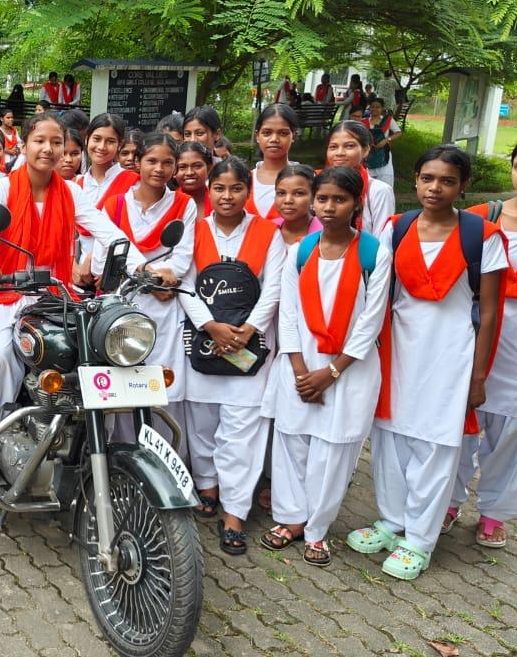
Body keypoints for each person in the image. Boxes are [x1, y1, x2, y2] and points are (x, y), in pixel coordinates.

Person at [347, 145, 505, 580]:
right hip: (399, 351)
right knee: (390, 439)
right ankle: (391, 521)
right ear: (414, 180)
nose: (436, 187)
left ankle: (418, 539)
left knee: (436, 445)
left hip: (452, 356)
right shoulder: (398, 228)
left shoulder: (482, 235)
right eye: (428, 178)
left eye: (448, 180)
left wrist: (479, 374)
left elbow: (489, 310)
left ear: (463, 185)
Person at [0, 114, 145, 471]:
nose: (48, 149)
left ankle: (82, 439)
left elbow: (108, 232)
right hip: (7, 291)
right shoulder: (2, 189)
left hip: (55, 295)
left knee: (91, 353)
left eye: (56, 142)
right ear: (24, 144)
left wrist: (142, 267)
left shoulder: (72, 193)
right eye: (40, 141)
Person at [262, 166, 390, 566]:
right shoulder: (301, 250)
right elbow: (288, 313)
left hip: (348, 369)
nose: (330, 207)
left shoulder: (374, 253)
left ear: (356, 204)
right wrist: (301, 369)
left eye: (340, 199)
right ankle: (290, 518)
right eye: (323, 199)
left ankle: (317, 529)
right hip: (300, 363)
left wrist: (331, 372)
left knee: (333, 452)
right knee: (292, 442)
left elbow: (371, 321)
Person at [448, 135, 517, 549]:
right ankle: (449, 500)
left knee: (514, 432)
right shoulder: (480, 219)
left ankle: (494, 513)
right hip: (475, 343)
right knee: (460, 428)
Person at [180, 157, 286, 555]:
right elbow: (186, 284)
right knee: (203, 425)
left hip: (248, 349)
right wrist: (212, 327)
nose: (227, 196)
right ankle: (206, 485)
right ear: (210, 190)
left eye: (236, 188)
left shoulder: (266, 233)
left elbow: (273, 287)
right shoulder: (196, 228)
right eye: (220, 188)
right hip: (205, 343)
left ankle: (235, 513)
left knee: (241, 435)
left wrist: (246, 331)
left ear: (249, 191)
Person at [100, 133, 196, 445]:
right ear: (138, 162)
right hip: (122, 308)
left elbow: (181, 259)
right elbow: (105, 256)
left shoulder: (184, 205)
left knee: (160, 384)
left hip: (164, 308)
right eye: (152, 160)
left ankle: (164, 463)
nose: (159, 168)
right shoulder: (115, 207)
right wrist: (147, 274)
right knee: (122, 384)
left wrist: (159, 279)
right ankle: (121, 457)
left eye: (168, 162)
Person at [74, 114, 141, 284]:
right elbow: (67, 234)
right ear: (87, 139)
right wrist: (71, 265)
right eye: (97, 139)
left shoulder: (133, 182)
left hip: (116, 274)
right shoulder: (77, 183)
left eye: (110, 142)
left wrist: (97, 259)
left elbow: (133, 233)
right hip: (77, 277)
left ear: (119, 146)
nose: (102, 147)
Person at [324, 120, 395, 236]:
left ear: (366, 150)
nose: (340, 153)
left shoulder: (379, 191)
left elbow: (382, 240)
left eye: (349, 146)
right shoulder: (318, 185)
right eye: (333, 147)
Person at [249, 104, 299, 219]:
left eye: (283, 133)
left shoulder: (307, 180)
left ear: (294, 136)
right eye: (267, 133)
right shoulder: (244, 179)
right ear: (257, 136)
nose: (274, 139)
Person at [273, 164, 320, 244]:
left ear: (313, 197)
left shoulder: (325, 234)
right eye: (281, 193)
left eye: (298, 193)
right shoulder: (268, 228)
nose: (288, 200)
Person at [365, 98, 402, 186]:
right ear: (369, 108)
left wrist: (386, 140)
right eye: (372, 107)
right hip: (368, 155)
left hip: (384, 154)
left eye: (378, 107)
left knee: (385, 181)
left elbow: (398, 133)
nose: (374, 109)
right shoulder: (364, 121)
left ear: (382, 108)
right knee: (368, 181)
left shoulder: (388, 120)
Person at [175, 141, 212, 216]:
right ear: (173, 171)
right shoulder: (166, 204)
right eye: (182, 167)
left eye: (197, 166)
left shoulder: (222, 200)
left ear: (209, 168)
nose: (189, 173)